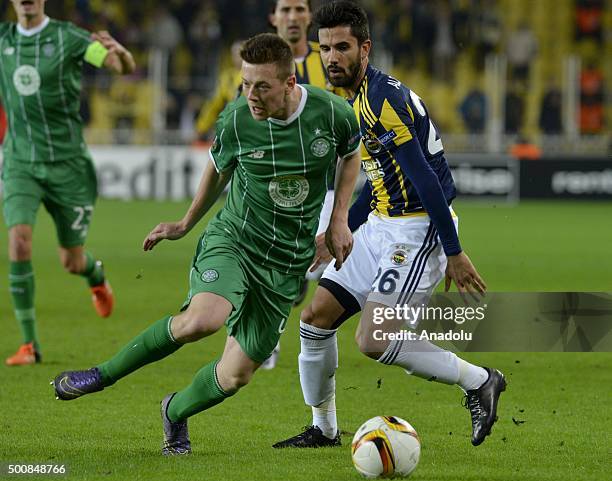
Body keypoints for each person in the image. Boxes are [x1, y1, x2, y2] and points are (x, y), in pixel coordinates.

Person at [51, 33, 362, 456]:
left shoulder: (333, 113)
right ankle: (100, 374)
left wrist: (340, 218)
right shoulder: (237, 119)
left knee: (235, 376)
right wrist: (184, 224)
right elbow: (216, 170)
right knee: (203, 320)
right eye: (245, 84)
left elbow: (350, 155)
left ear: (290, 84)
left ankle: (174, 411)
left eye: (262, 86)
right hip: (235, 238)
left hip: (287, 263)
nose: (251, 95)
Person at [273, 1, 506, 449]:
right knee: (315, 318)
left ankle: (480, 381)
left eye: (342, 47)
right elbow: (378, 179)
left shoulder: (383, 98)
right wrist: (339, 229)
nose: (331, 58)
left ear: (365, 48)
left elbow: (426, 180)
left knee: (374, 340)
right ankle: (323, 429)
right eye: (325, 49)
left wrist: (454, 251)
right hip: (380, 224)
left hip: (417, 231)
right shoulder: (354, 99)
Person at [1, 0, 135, 366]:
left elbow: (117, 66)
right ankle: (29, 344)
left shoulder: (69, 38)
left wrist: (120, 55)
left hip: (68, 166)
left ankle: (95, 275)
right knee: (19, 240)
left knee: (72, 261)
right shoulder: (3, 41)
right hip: (20, 161)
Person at [263, 0, 350, 368]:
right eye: (286, 9)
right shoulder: (258, 62)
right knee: (269, 263)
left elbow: (350, 116)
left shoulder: (329, 62)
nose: (293, 16)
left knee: (310, 261)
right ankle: (264, 339)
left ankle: (302, 297)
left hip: (324, 187)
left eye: (300, 8)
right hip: (275, 186)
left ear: (309, 17)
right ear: (274, 18)